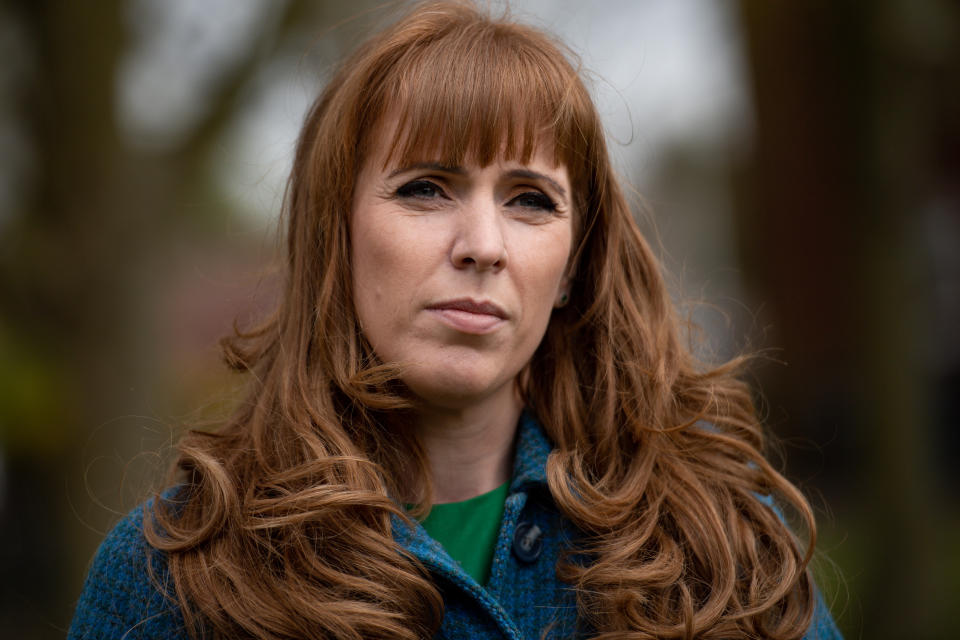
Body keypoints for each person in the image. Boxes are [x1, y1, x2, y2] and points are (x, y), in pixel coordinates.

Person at [69, 2, 843, 639]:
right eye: (426, 189)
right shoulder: (174, 574)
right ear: (334, 235)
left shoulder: (720, 546)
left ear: (574, 265)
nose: (483, 246)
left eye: (530, 199)